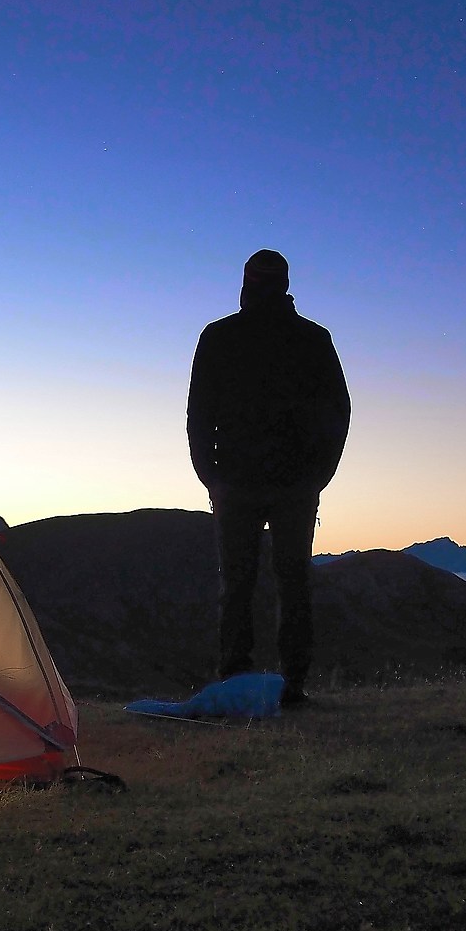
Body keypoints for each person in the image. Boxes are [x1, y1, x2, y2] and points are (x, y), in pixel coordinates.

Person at [186, 249, 351, 707]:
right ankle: (292, 687)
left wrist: (210, 475)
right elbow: (338, 411)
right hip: (287, 484)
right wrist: (318, 474)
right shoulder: (312, 339)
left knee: (240, 584)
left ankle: (235, 683)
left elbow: (198, 412)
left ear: (245, 284)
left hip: (243, 482)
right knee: (291, 583)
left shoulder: (220, 336)